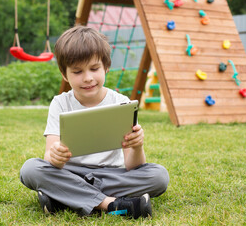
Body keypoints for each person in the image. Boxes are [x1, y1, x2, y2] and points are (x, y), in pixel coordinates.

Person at [20, 26, 169, 219]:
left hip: (113, 176)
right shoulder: (60, 103)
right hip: (72, 173)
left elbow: (134, 166)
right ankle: (111, 204)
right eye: (77, 71)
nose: (88, 78)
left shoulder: (121, 103)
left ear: (106, 67)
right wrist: (55, 156)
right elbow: (49, 157)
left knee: (159, 176)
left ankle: (64, 198)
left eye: (94, 68)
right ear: (65, 75)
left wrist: (138, 146)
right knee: (31, 169)